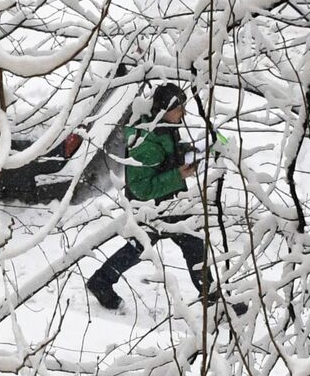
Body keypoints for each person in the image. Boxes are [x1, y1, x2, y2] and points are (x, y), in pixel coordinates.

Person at [87, 83, 246, 316]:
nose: (183, 112)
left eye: (184, 106)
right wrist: (178, 175)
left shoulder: (165, 127)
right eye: (178, 108)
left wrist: (203, 148)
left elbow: (170, 153)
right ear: (163, 109)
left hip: (170, 202)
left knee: (190, 245)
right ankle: (100, 282)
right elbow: (141, 188)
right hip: (152, 207)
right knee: (140, 248)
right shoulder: (146, 143)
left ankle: (212, 298)